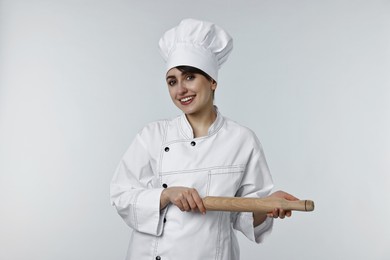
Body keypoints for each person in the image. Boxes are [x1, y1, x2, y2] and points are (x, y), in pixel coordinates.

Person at [110, 18, 298, 260]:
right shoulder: (152, 136)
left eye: (189, 77)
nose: (180, 90)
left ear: (212, 80)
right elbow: (121, 196)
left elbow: (243, 216)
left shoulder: (241, 140)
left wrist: (267, 207)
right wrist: (165, 195)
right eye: (172, 81)